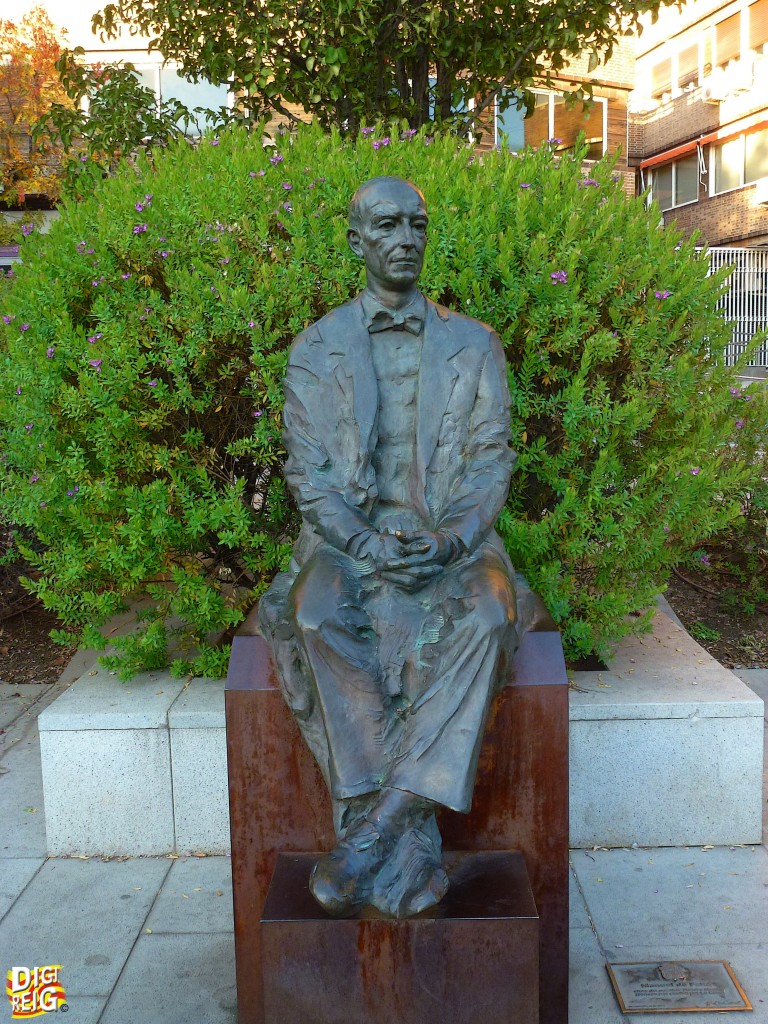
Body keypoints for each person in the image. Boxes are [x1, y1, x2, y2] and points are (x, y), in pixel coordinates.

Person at [259, 175, 519, 918]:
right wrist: (364, 544)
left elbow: (490, 459)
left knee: (490, 617)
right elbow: (309, 476)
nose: (405, 240)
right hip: (347, 543)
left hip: (454, 542)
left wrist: (452, 539)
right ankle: (391, 821)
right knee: (314, 615)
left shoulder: (475, 344)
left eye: (416, 225)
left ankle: (372, 834)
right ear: (356, 242)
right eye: (386, 226)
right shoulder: (316, 349)